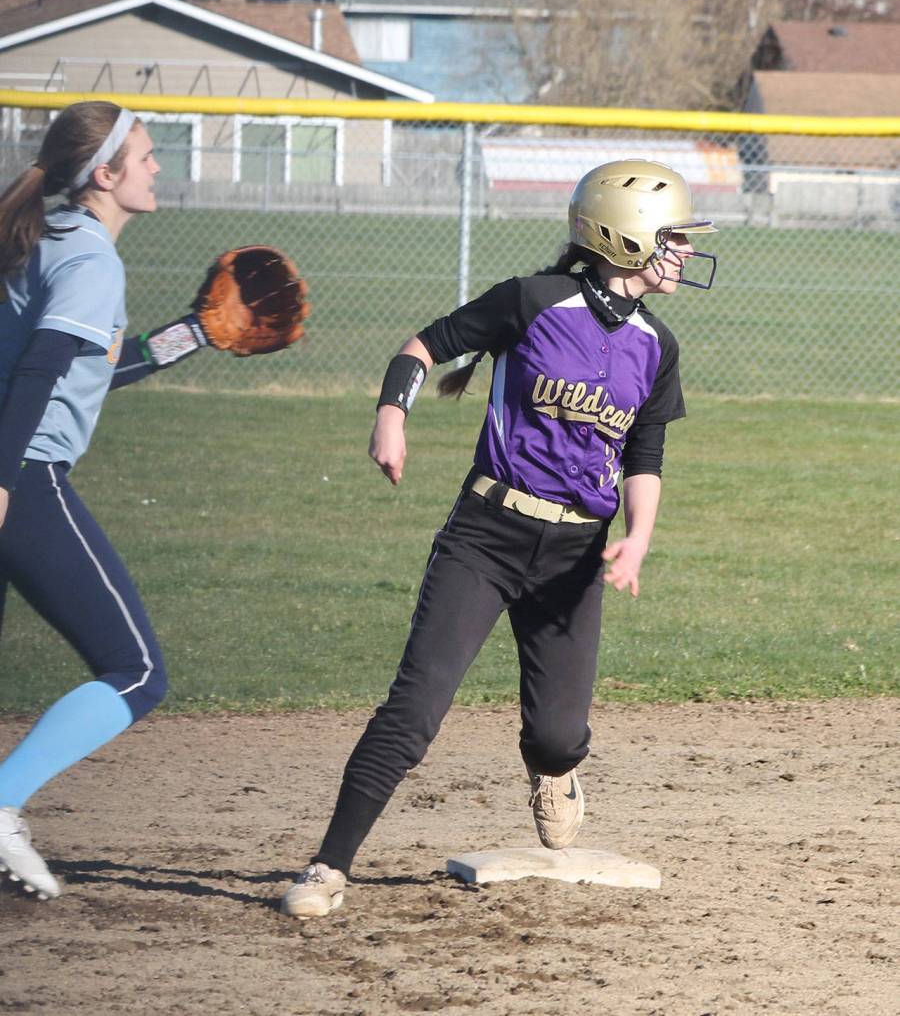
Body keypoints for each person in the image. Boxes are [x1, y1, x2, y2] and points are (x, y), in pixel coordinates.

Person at [280, 159, 717, 920]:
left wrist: (638, 538)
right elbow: (424, 346)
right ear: (626, 235)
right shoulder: (533, 300)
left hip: (574, 556)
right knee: (414, 711)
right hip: (486, 535)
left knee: (557, 736)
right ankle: (327, 867)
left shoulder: (658, 344)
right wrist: (391, 415)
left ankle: (554, 772)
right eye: (673, 236)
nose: (684, 250)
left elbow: (644, 456)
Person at [0, 101, 198, 901]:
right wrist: (4, 483)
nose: (156, 167)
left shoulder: (50, 237)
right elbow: (40, 372)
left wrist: (194, 335)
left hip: (17, 466)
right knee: (137, 669)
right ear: (106, 175)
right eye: (144, 156)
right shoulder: (90, 257)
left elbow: (92, 368)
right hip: (24, 474)